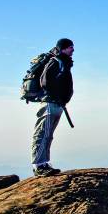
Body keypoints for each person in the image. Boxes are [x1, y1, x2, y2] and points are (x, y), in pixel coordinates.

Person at [30, 38, 74, 177]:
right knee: (42, 134)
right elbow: (45, 82)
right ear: (63, 48)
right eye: (70, 47)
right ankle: (38, 165)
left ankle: (45, 163)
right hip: (50, 103)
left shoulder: (64, 63)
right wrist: (57, 96)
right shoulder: (55, 61)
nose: (72, 50)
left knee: (48, 135)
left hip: (57, 104)